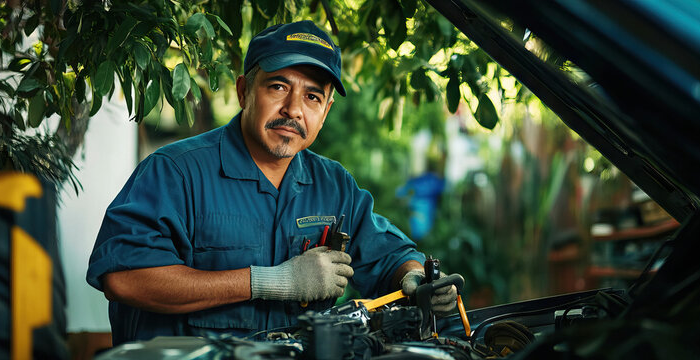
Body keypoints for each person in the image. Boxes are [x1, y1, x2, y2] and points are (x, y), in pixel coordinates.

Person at [87, 20, 457, 346]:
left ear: (325, 112)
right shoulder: (175, 172)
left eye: (312, 96)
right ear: (245, 90)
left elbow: (391, 255)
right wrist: (268, 281)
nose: (294, 109)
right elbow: (124, 278)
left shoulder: (334, 186)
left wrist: (415, 279)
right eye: (278, 87)